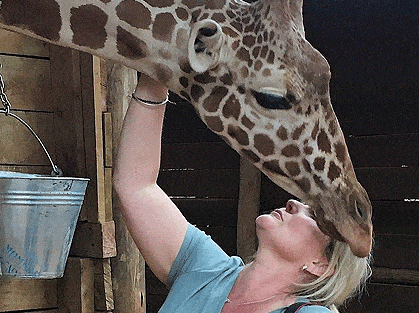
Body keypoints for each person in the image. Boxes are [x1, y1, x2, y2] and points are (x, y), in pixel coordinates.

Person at [113, 75, 372, 313]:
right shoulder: (206, 268)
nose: (293, 203)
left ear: (320, 266)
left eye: (314, 215)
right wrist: (155, 79)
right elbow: (136, 186)